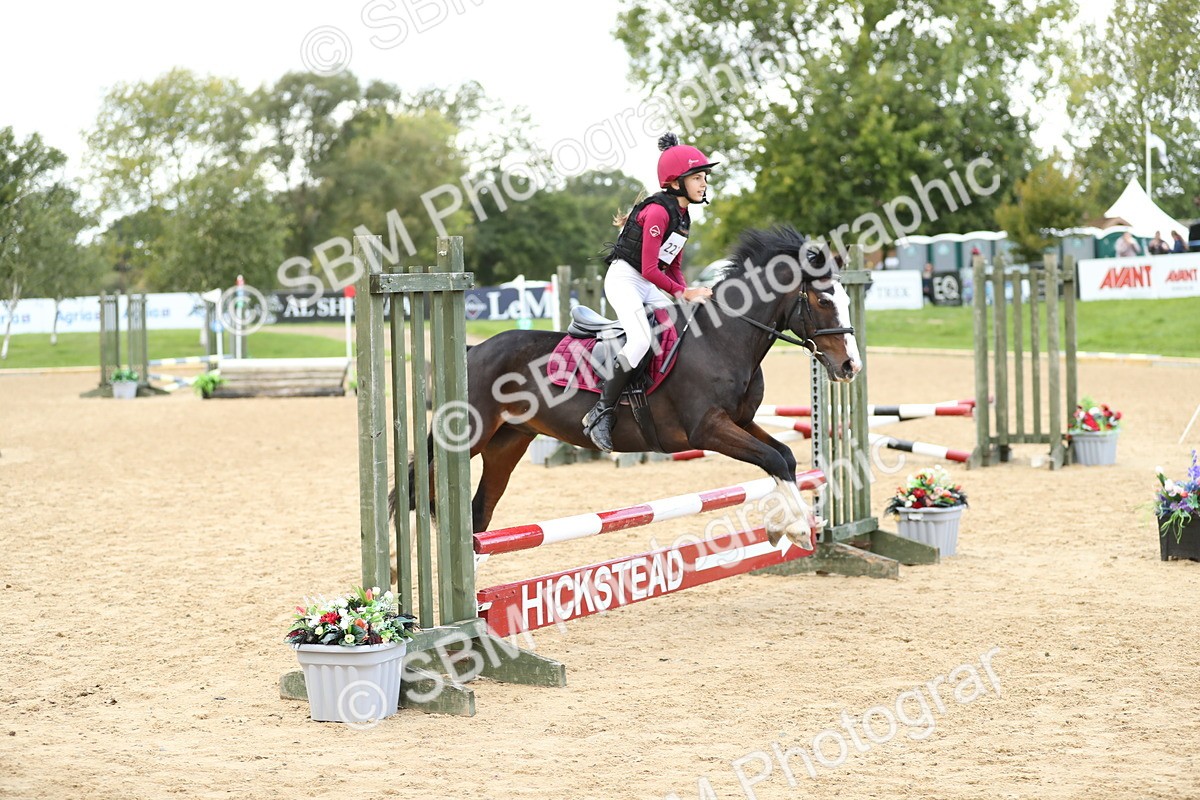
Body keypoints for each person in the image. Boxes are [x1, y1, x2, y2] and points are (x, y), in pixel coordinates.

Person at [581, 132, 716, 451]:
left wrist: (686, 293)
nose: (703, 184)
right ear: (676, 182)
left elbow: (673, 268)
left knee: (684, 323)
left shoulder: (684, 217)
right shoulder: (657, 212)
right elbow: (649, 269)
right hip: (626, 279)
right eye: (697, 177)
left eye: (704, 178)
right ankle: (600, 413)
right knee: (641, 338)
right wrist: (683, 294)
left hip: (650, 282)